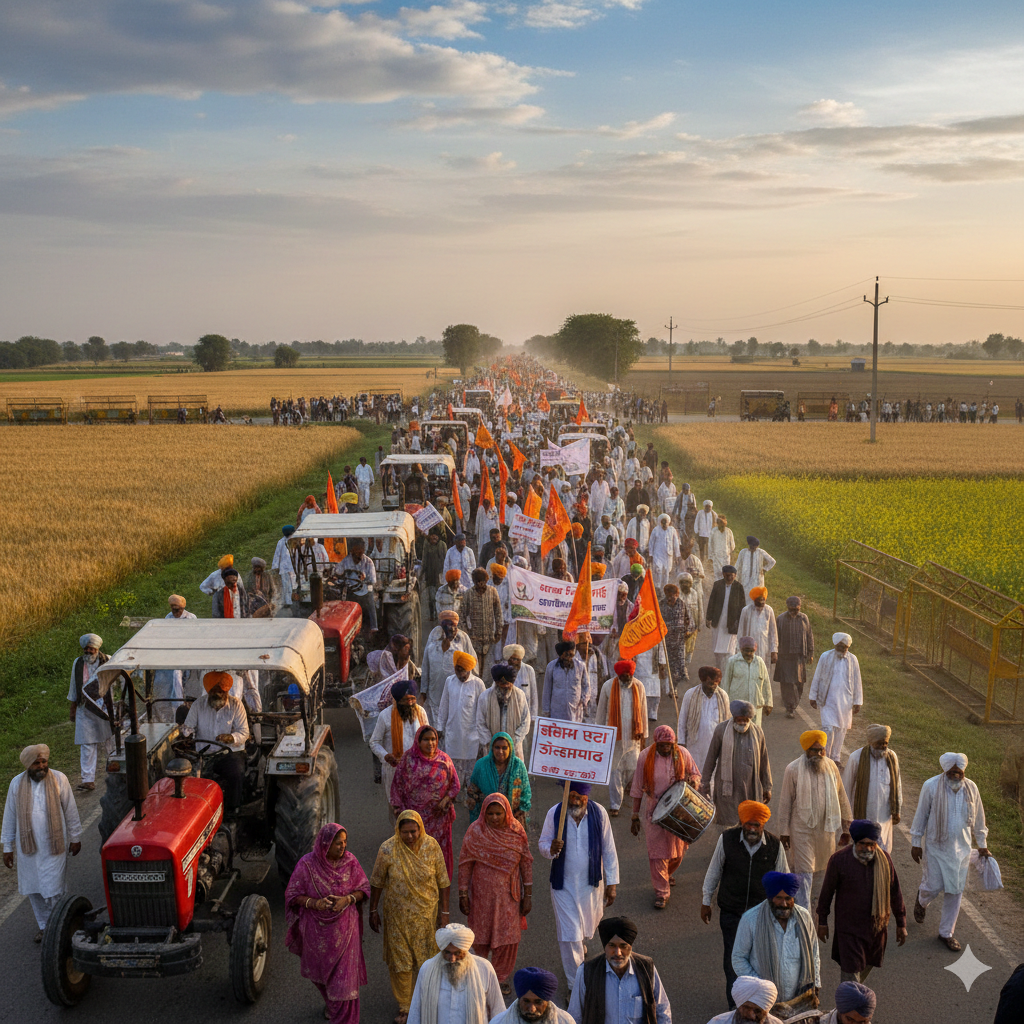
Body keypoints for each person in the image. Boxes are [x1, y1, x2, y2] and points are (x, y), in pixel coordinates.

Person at [701, 801, 788, 1007]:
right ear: (741, 823)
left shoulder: (775, 846)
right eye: (748, 824)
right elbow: (714, 870)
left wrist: (785, 914)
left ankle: (756, 1004)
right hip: (731, 911)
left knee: (759, 960)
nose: (752, 829)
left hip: (761, 915)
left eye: (756, 825)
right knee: (733, 960)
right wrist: (706, 901)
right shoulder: (727, 839)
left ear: (763, 825)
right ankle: (736, 1005)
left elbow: (784, 881)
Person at [369, 810, 452, 1024]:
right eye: (405, 832)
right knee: (401, 962)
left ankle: (426, 1001)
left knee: (426, 960)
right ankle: (405, 1007)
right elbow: (377, 881)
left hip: (425, 917)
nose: (410, 836)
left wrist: (444, 913)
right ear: (398, 830)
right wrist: (373, 910)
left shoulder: (431, 846)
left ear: (420, 829)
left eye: (413, 831)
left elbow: (443, 881)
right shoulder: (388, 849)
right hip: (396, 917)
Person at [285, 823, 370, 1024]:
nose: (343, 847)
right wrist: (315, 903)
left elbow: (364, 889)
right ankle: (332, 1005)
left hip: (345, 930)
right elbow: (293, 894)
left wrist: (347, 899)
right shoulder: (307, 865)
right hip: (316, 932)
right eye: (338, 843)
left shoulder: (350, 861)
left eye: (345, 842)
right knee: (322, 976)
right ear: (325, 844)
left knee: (344, 985)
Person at [539, 782, 619, 990]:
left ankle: (580, 943)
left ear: (587, 796)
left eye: (579, 797)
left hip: (591, 886)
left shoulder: (599, 813)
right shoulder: (554, 813)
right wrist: (550, 849)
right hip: (562, 886)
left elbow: (609, 849)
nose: (574, 801)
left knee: (586, 928)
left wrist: (612, 883)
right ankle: (575, 986)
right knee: (570, 934)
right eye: (571, 795)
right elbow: (543, 844)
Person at [910, 751, 989, 951]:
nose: (955, 775)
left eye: (959, 772)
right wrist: (916, 841)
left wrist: (982, 844)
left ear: (964, 771)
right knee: (933, 886)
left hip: (961, 850)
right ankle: (922, 899)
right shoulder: (930, 786)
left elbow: (979, 818)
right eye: (952, 772)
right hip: (936, 847)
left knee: (955, 890)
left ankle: (946, 933)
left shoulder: (971, 788)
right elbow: (921, 815)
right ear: (944, 770)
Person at [2, 744, 82, 940]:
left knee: (55, 888)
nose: (41, 766)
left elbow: (70, 810)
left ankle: (61, 925)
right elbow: (10, 817)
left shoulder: (59, 779)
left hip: (54, 846)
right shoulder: (16, 784)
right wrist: (7, 847)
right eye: (36, 763)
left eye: (43, 762)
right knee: (35, 889)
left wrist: (75, 837)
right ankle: (45, 926)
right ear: (28, 765)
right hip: (28, 849)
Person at [457, 793, 533, 995]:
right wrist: (463, 894)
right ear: (484, 812)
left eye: (499, 813)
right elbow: (465, 863)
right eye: (490, 813)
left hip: (509, 897)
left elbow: (526, 863)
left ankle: (499, 978)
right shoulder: (476, 831)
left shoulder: (516, 831)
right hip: (481, 896)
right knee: (480, 936)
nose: (494, 817)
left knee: (507, 939)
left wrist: (528, 895)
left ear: (506, 813)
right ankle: (480, 976)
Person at [816, 819, 907, 984]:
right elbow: (827, 892)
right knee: (850, 977)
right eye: (863, 844)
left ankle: (852, 996)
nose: (868, 848)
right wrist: (822, 921)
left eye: (872, 844)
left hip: (875, 930)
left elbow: (895, 892)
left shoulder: (884, 860)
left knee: (862, 972)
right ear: (855, 842)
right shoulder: (839, 860)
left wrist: (901, 923)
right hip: (849, 930)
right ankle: (848, 999)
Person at [776, 732, 853, 910]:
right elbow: (785, 802)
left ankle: (815, 909)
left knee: (822, 872)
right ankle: (804, 914)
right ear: (806, 750)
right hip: (801, 831)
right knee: (804, 874)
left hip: (826, 830)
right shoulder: (793, 769)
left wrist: (846, 828)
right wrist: (784, 832)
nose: (818, 754)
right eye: (814, 750)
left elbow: (842, 796)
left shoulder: (831, 766)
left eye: (821, 750)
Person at [630, 725, 701, 908]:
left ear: (673, 744)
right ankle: (662, 893)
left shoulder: (683, 754)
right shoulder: (645, 756)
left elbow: (695, 773)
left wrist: (693, 781)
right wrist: (634, 815)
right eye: (662, 745)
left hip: (679, 809)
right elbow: (637, 786)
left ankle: (667, 873)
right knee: (657, 853)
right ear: (656, 743)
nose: (665, 749)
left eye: (668, 745)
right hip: (655, 810)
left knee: (679, 851)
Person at [732, 871, 820, 1014]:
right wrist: (760, 987)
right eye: (778, 898)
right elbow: (738, 958)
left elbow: (814, 953)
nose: (783, 904)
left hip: (799, 999)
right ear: (770, 897)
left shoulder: (804, 918)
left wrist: (816, 984)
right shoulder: (750, 920)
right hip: (763, 1000)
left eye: (788, 898)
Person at [567, 916, 672, 1024]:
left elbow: (662, 1010)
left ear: (630, 947)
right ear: (605, 947)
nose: (618, 953)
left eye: (623, 946)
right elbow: (574, 1016)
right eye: (612, 945)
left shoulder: (646, 968)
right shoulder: (587, 971)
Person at [390, 726, 461, 879]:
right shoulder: (408, 760)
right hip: (415, 819)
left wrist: (446, 800)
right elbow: (397, 785)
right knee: (416, 852)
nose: (430, 743)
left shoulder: (444, 760)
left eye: (433, 739)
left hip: (439, 819)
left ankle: (439, 884)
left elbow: (455, 785)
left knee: (438, 854)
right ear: (418, 741)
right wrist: (400, 810)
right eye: (426, 740)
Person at [407, 922, 504, 1024]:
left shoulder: (484, 968)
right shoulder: (427, 969)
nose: (452, 959)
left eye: (457, 953)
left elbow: (498, 1010)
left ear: (465, 950)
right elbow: (415, 1010)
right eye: (447, 952)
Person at [181, 672, 249, 814]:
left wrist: (231, 737)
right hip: (203, 754)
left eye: (222, 692)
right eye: (215, 691)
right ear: (208, 691)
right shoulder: (198, 705)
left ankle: (232, 810)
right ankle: (194, 810)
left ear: (227, 691)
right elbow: (188, 728)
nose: (219, 695)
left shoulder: (236, 705)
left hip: (229, 753)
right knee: (187, 777)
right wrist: (186, 734)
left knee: (236, 773)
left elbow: (244, 733)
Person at [700, 701, 772, 827]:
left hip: (750, 788)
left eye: (745, 720)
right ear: (734, 717)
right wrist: (705, 783)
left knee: (749, 822)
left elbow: (764, 761)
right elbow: (711, 758)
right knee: (728, 825)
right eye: (740, 719)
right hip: (728, 790)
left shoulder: (757, 732)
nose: (743, 722)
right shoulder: (721, 730)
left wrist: (767, 787)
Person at [596, 660, 648, 816]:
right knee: (615, 770)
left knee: (632, 768)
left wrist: (644, 736)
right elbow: (601, 711)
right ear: (618, 675)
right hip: (613, 737)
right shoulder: (608, 686)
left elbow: (643, 711)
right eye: (623, 677)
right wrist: (599, 734)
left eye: (628, 676)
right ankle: (615, 804)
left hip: (633, 737)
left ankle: (626, 790)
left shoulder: (639, 686)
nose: (626, 679)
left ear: (632, 674)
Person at [371, 680, 430, 813]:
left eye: (412, 700)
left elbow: (427, 736)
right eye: (405, 701)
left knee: (417, 809)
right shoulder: (385, 716)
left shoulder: (421, 712)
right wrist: (385, 756)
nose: (410, 704)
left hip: (418, 769)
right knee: (397, 810)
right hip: (394, 771)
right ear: (397, 701)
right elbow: (374, 742)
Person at [841, 725, 902, 853]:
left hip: (884, 814)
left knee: (883, 851)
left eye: (885, 743)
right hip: (863, 813)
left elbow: (897, 784)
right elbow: (846, 786)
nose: (883, 746)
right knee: (863, 849)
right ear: (871, 742)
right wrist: (846, 816)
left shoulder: (892, 757)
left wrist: (897, 809)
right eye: (879, 743)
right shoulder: (856, 757)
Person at [809, 634, 863, 767]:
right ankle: (826, 756)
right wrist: (813, 696)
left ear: (848, 647)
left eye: (845, 647)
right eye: (840, 646)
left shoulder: (853, 659)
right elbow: (817, 676)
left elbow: (857, 681)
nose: (842, 649)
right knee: (828, 729)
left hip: (846, 702)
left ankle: (836, 757)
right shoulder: (825, 656)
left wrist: (858, 701)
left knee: (841, 730)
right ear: (835, 645)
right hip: (827, 700)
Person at [437, 652, 487, 793]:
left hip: (472, 737)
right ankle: (454, 797)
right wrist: (439, 727)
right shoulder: (449, 681)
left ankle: (470, 797)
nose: (459, 673)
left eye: (462, 670)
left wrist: (483, 735)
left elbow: (483, 711)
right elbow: (443, 706)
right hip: (453, 735)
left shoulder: (478, 684)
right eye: (457, 669)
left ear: (469, 669)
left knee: (471, 774)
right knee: (452, 772)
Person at [67, 632, 110, 792]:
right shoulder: (78, 663)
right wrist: (72, 708)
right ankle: (88, 780)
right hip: (84, 708)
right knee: (87, 743)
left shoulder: (108, 660)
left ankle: (115, 773)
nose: (88, 651)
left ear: (97, 649)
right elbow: (74, 686)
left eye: (91, 649)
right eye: (86, 648)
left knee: (109, 741)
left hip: (104, 708)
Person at [421, 611, 474, 726]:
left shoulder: (462, 637)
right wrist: (423, 691)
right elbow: (426, 665)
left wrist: (470, 688)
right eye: (446, 625)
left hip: (456, 690)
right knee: (436, 723)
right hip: (435, 690)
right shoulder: (434, 636)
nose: (450, 629)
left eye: (452, 625)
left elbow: (472, 663)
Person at [466, 732, 531, 825]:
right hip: (487, 817)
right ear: (492, 748)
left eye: (504, 748)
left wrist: (517, 815)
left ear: (510, 748)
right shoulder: (481, 765)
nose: (500, 751)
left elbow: (525, 793)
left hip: (512, 818)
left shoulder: (518, 766)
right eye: (497, 747)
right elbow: (472, 791)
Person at [677, 666, 730, 779]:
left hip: (715, 744)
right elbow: (682, 719)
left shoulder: (723, 696)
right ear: (703, 680)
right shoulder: (690, 694)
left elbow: (727, 721)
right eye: (711, 684)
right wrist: (681, 742)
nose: (714, 687)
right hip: (694, 743)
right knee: (693, 774)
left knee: (712, 775)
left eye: (716, 684)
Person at [476, 665, 531, 762]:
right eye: (502, 687)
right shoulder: (485, 697)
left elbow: (525, 721)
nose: (504, 690)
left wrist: (513, 741)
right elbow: (480, 722)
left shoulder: (520, 695)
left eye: (507, 687)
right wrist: (491, 742)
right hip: (492, 748)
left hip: (514, 747)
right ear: (496, 683)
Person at [774, 597, 814, 719]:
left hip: (799, 657)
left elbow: (809, 635)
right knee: (787, 683)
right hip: (785, 656)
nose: (793, 612)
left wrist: (811, 653)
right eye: (791, 609)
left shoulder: (804, 618)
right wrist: (774, 652)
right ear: (787, 607)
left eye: (796, 609)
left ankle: (792, 703)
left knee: (799, 683)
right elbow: (775, 637)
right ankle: (790, 708)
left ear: (800, 607)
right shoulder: (780, 619)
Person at [490, 968, 575, 1024]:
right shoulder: (498, 1022)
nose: (531, 1009)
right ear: (519, 999)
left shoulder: (566, 1021)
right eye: (526, 1001)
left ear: (547, 1001)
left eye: (538, 1002)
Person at [723, 637, 773, 728]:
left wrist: (768, 703)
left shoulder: (759, 662)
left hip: (755, 704)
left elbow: (766, 682)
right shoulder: (733, 661)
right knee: (736, 729)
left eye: (751, 651)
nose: (749, 653)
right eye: (746, 650)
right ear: (741, 649)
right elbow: (726, 682)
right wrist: (724, 703)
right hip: (737, 704)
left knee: (755, 731)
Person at [460, 568, 504, 672]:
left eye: (482, 582)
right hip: (474, 640)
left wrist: (498, 631)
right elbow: (461, 616)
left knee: (488, 670)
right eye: (477, 582)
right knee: (475, 668)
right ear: (474, 581)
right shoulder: (468, 594)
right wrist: (466, 633)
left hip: (490, 638)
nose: (480, 584)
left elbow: (498, 613)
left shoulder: (492, 592)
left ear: (486, 580)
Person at [707, 566, 744, 673]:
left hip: (732, 622)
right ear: (723, 574)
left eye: (732, 576)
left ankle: (728, 670)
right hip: (718, 620)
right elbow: (711, 602)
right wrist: (708, 617)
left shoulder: (738, 587)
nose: (729, 578)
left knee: (730, 648)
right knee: (717, 646)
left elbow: (742, 605)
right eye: (727, 575)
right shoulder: (717, 585)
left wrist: (740, 621)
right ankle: (718, 667)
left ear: (735, 576)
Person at [543, 640, 587, 722]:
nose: (568, 658)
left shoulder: (581, 666)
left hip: (576, 710)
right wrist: (546, 711)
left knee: (574, 729)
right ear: (561, 655)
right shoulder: (551, 666)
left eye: (571, 655)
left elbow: (586, 686)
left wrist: (584, 700)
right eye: (566, 655)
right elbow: (547, 689)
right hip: (557, 711)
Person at [704, 977, 780, 1024]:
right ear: (739, 1004)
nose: (752, 1015)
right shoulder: (718, 1022)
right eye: (747, 1008)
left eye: (758, 1010)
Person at [662, 584, 695, 688]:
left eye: (673, 595)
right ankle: (670, 688)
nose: (671, 598)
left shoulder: (682, 604)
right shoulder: (660, 605)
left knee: (679, 663)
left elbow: (690, 620)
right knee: (669, 664)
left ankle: (676, 686)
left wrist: (688, 631)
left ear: (677, 594)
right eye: (668, 595)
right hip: (666, 640)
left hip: (679, 639)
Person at [738, 589, 777, 667]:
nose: (762, 602)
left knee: (763, 670)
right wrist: (739, 649)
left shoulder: (769, 610)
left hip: (764, 647)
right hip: (749, 648)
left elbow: (773, 632)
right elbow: (741, 631)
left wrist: (774, 651)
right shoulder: (746, 610)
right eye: (759, 600)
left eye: (763, 599)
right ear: (754, 599)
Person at [735, 537, 776, 605]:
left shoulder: (761, 552)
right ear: (749, 544)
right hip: (745, 578)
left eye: (756, 546)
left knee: (756, 596)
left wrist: (765, 569)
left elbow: (772, 561)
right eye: (752, 546)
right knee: (744, 596)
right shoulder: (743, 552)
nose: (754, 547)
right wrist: (736, 577)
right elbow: (738, 564)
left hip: (757, 579)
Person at [503, 644, 539, 721]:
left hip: (524, 714)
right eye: (510, 659)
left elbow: (534, 694)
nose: (513, 661)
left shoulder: (529, 670)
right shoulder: (501, 669)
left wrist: (533, 716)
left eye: (515, 659)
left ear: (520, 658)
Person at [648, 513, 681, 593]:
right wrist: (650, 554)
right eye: (663, 522)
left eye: (666, 522)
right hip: (658, 553)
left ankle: (665, 588)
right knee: (658, 570)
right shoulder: (656, 530)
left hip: (668, 554)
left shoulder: (672, 530)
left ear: (668, 522)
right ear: (660, 522)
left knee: (666, 571)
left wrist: (677, 555)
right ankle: (657, 587)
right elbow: (651, 542)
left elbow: (676, 543)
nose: (664, 524)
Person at [421, 531, 448, 621]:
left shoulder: (442, 545)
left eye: (436, 535)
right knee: (431, 597)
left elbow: (446, 560)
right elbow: (424, 560)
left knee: (440, 596)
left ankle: (440, 614)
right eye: (432, 535)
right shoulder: (426, 546)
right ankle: (432, 614)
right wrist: (421, 574)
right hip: (430, 576)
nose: (434, 537)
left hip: (440, 575)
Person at [272, 524, 298, 608]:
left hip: (284, 567)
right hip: (294, 567)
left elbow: (277, 556)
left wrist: (275, 567)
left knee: (286, 585)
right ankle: (294, 600)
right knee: (294, 584)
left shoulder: (281, 542)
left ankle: (288, 601)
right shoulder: (296, 540)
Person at [709, 516, 736, 581]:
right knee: (717, 574)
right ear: (717, 523)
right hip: (716, 556)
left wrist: (728, 552)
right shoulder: (713, 531)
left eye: (723, 524)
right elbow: (710, 544)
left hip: (725, 556)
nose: (722, 526)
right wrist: (710, 556)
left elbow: (732, 545)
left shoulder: (729, 531)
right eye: (720, 524)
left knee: (726, 573)